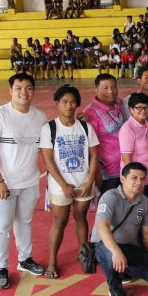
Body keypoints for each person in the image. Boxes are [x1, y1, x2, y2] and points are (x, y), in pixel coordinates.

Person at [0, 73, 47, 289]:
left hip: (28, 181)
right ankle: (0, 267)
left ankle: (25, 259)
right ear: (10, 90)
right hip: (2, 184)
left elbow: (45, 145)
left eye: (28, 88)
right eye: (18, 88)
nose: (23, 92)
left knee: (25, 222)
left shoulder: (39, 117)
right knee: (2, 227)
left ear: (33, 91)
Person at [39, 85, 99, 278]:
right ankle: (52, 262)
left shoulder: (85, 127)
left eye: (73, 102)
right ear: (57, 103)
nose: (69, 106)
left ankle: (85, 256)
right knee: (60, 221)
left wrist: (90, 180)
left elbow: (94, 155)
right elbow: (48, 160)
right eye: (64, 102)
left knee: (81, 218)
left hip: (83, 182)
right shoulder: (49, 128)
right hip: (60, 185)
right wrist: (63, 184)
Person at [92, 162, 148, 296]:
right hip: (105, 246)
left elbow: (147, 231)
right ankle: (115, 287)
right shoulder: (110, 197)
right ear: (122, 179)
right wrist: (116, 251)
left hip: (129, 247)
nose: (139, 182)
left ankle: (123, 270)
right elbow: (103, 227)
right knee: (110, 253)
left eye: (142, 179)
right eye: (134, 178)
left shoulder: (144, 202)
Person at [83, 74, 128, 194]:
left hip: (125, 167)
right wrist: (96, 173)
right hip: (107, 174)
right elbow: (88, 147)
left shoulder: (119, 103)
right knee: (110, 208)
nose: (111, 91)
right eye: (105, 88)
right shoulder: (90, 113)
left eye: (114, 87)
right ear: (96, 90)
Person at [119, 92, 148, 227]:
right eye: (139, 108)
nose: (143, 111)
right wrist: (135, 181)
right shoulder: (127, 129)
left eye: (146, 108)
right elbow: (126, 159)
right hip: (138, 180)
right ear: (130, 109)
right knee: (138, 211)